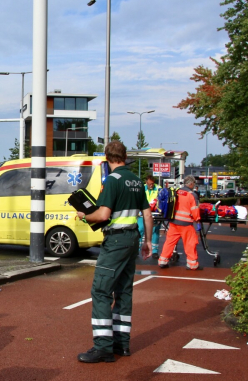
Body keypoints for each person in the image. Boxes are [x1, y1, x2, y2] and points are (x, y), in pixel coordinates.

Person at [75, 141, 151, 363]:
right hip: (133, 239)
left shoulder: (112, 181)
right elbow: (147, 215)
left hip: (115, 241)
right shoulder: (137, 182)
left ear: (107, 159)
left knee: (101, 291)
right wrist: (147, 242)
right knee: (124, 290)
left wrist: (84, 215)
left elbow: (102, 216)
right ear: (125, 157)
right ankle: (122, 344)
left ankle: (103, 347)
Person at [158, 175, 202, 270]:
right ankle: (192, 264)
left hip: (174, 222)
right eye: (194, 183)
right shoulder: (192, 195)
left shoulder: (177, 192)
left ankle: (162, 261)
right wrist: (198, 219)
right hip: (186, 224)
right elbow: (195, 210)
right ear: (191, 183)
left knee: (169, 242)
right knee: (190, 243)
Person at [137, 175, 161, 258]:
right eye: (150, 184)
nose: (151, 185)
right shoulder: (141, 188)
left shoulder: (158, 188)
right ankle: (137, 250)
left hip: (155, 213)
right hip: (142, 213)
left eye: (152, 184)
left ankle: (154, 251)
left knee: (155, 231)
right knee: (140, 230)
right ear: (146, 182)